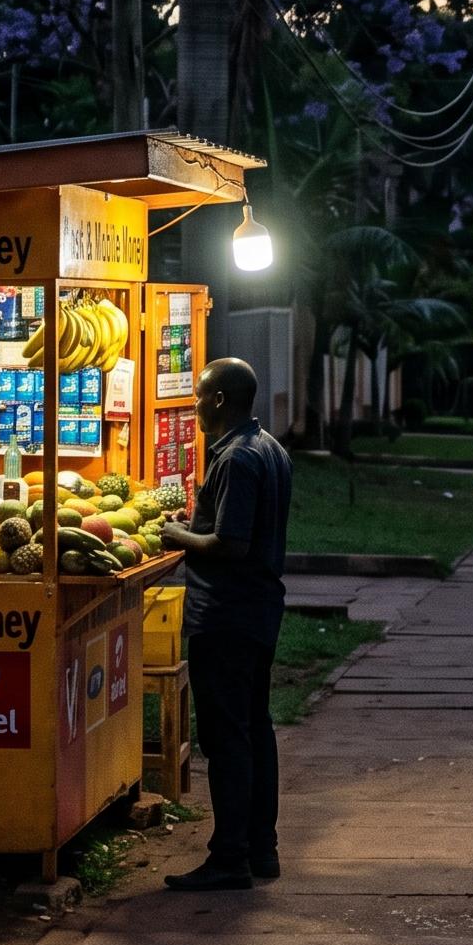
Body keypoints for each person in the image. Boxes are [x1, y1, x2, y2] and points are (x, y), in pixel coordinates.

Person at [158, 358, 293, 890]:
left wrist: (177, 536)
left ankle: (229, 856)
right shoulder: (271, 448)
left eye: (197, 395)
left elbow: (230, 544)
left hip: (227, 615)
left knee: (228, 738)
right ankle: (263, 849)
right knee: (255, 729)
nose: (192, 404)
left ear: (217, 401)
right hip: (258, 611)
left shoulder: (237, 458)